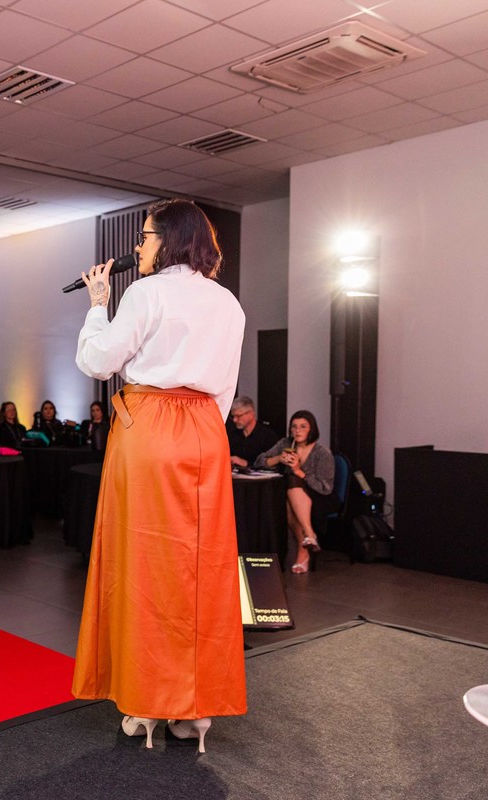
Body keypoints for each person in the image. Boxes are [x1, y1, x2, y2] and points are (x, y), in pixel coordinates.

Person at [72, 198, 247, 753]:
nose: (139, 246)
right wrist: (200, 430)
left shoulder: (144, 293)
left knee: (144, 564)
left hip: (149, 430)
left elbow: (98, 361)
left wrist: (97, 306)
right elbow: (224, 389)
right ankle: (195, 712)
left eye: (145, 236)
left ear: (168, 239)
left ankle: (146, 703)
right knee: (202, 568)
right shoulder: (229, 303)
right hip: (206, 432)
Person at [255, 410, 336, 574]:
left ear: (312, 429)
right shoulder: (286, 443)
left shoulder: (322, 453)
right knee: (287, 499)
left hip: (319, 497)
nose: (298, 431)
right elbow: (258, 461)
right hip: (293, 497)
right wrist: (279, 458)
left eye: (303, 426)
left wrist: (299, 471)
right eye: (294, 427)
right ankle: (307, 540)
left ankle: (306, 541)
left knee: (293, 481)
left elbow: (325, 488)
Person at [228, 396, 280, 469]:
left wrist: (246, 463)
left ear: (251, 413)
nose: (235, 420)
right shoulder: (232, 435)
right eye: (233, 416)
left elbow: (273, 465)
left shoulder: (268, 436)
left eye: (238, 416)